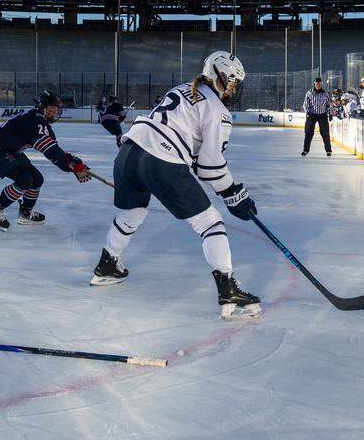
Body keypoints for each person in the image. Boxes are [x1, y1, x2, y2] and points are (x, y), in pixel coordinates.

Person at [90, 51, 261, 320]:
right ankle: (228, 289)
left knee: (131, 214)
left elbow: (191, 148)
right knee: (210, 222)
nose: (234, 89)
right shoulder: (218, 111)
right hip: (161, 160)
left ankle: (107, 264)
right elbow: (209, 166)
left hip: (129, 154)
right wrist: (233, 194)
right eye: (233, 81)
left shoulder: (182, 89)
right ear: (221, 76)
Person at [0, 90, 92, 231]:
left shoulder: (43, 124)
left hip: (10, 151)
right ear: (42, 107)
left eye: (56, 110)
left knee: (37, 179)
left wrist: (73, 167)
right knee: (24, 180)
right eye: (51, 109)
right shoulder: (34, 118)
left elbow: (54, 154)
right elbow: (49, 149)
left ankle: (25, 213)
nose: (54, 113)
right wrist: (72, 162)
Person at [301, 78, 332, 157]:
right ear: (314, 84)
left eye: (319, 84)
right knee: (308, 133)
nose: (318, 85)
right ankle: (305, 150)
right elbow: (305, 104)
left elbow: (328, 105)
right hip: (312, 115)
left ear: (321, 84)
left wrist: (330, 114)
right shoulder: (310, 93)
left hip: (323, 115)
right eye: (317, 84)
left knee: (325, 133)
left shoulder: (325, 93)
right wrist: (308, 112)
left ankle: (328, 151)